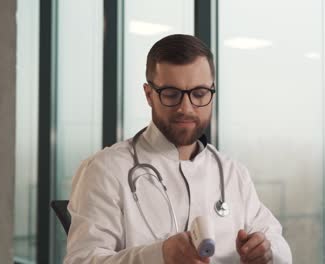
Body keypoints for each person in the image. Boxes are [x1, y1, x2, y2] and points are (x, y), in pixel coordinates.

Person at [64, 34, 292, 264]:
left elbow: (276, 240)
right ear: (149, 95)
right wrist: (158, 256)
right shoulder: (105, 170)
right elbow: (82, 260)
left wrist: (267, 250)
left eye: (199, 94)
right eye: (171, 94)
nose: (186, 108)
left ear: (212, 93)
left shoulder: (233, 173)